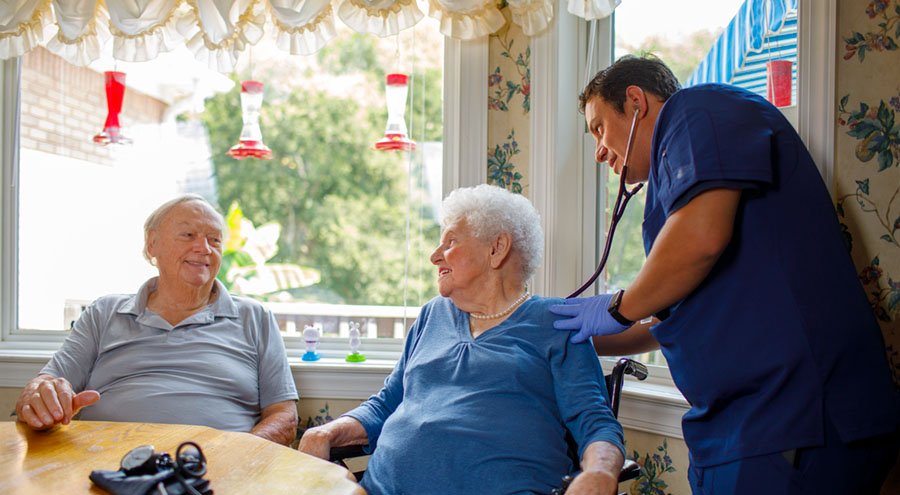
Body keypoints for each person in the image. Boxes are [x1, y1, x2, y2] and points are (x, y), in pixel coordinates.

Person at [550, 55, 900, 494]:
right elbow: (663, 321)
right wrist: (559, 337)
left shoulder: (698, 110)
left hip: (790, 418)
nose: (599, 151)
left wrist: (617, 306)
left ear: (636, 101)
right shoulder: (674, 184)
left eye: (599, 127)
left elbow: (701, 240)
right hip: (742, 427)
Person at [299, 184, 625, 495]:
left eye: (450, 242)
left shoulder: (557, 323)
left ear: (496, 249)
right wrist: (327, 431)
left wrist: (599, 472)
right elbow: (387, 403)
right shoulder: (432, 316)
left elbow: (595, 423)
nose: (435, 256)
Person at [15, 194, 299, 446]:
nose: (204, 248)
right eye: (188, 235)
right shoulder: (104, 312)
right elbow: (42, 387)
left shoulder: (255, 316)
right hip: (104, 463)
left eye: (214, 239)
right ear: (152, 244)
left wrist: (243, 455)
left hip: (211, 474)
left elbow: (283, 416)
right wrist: (42, 399)